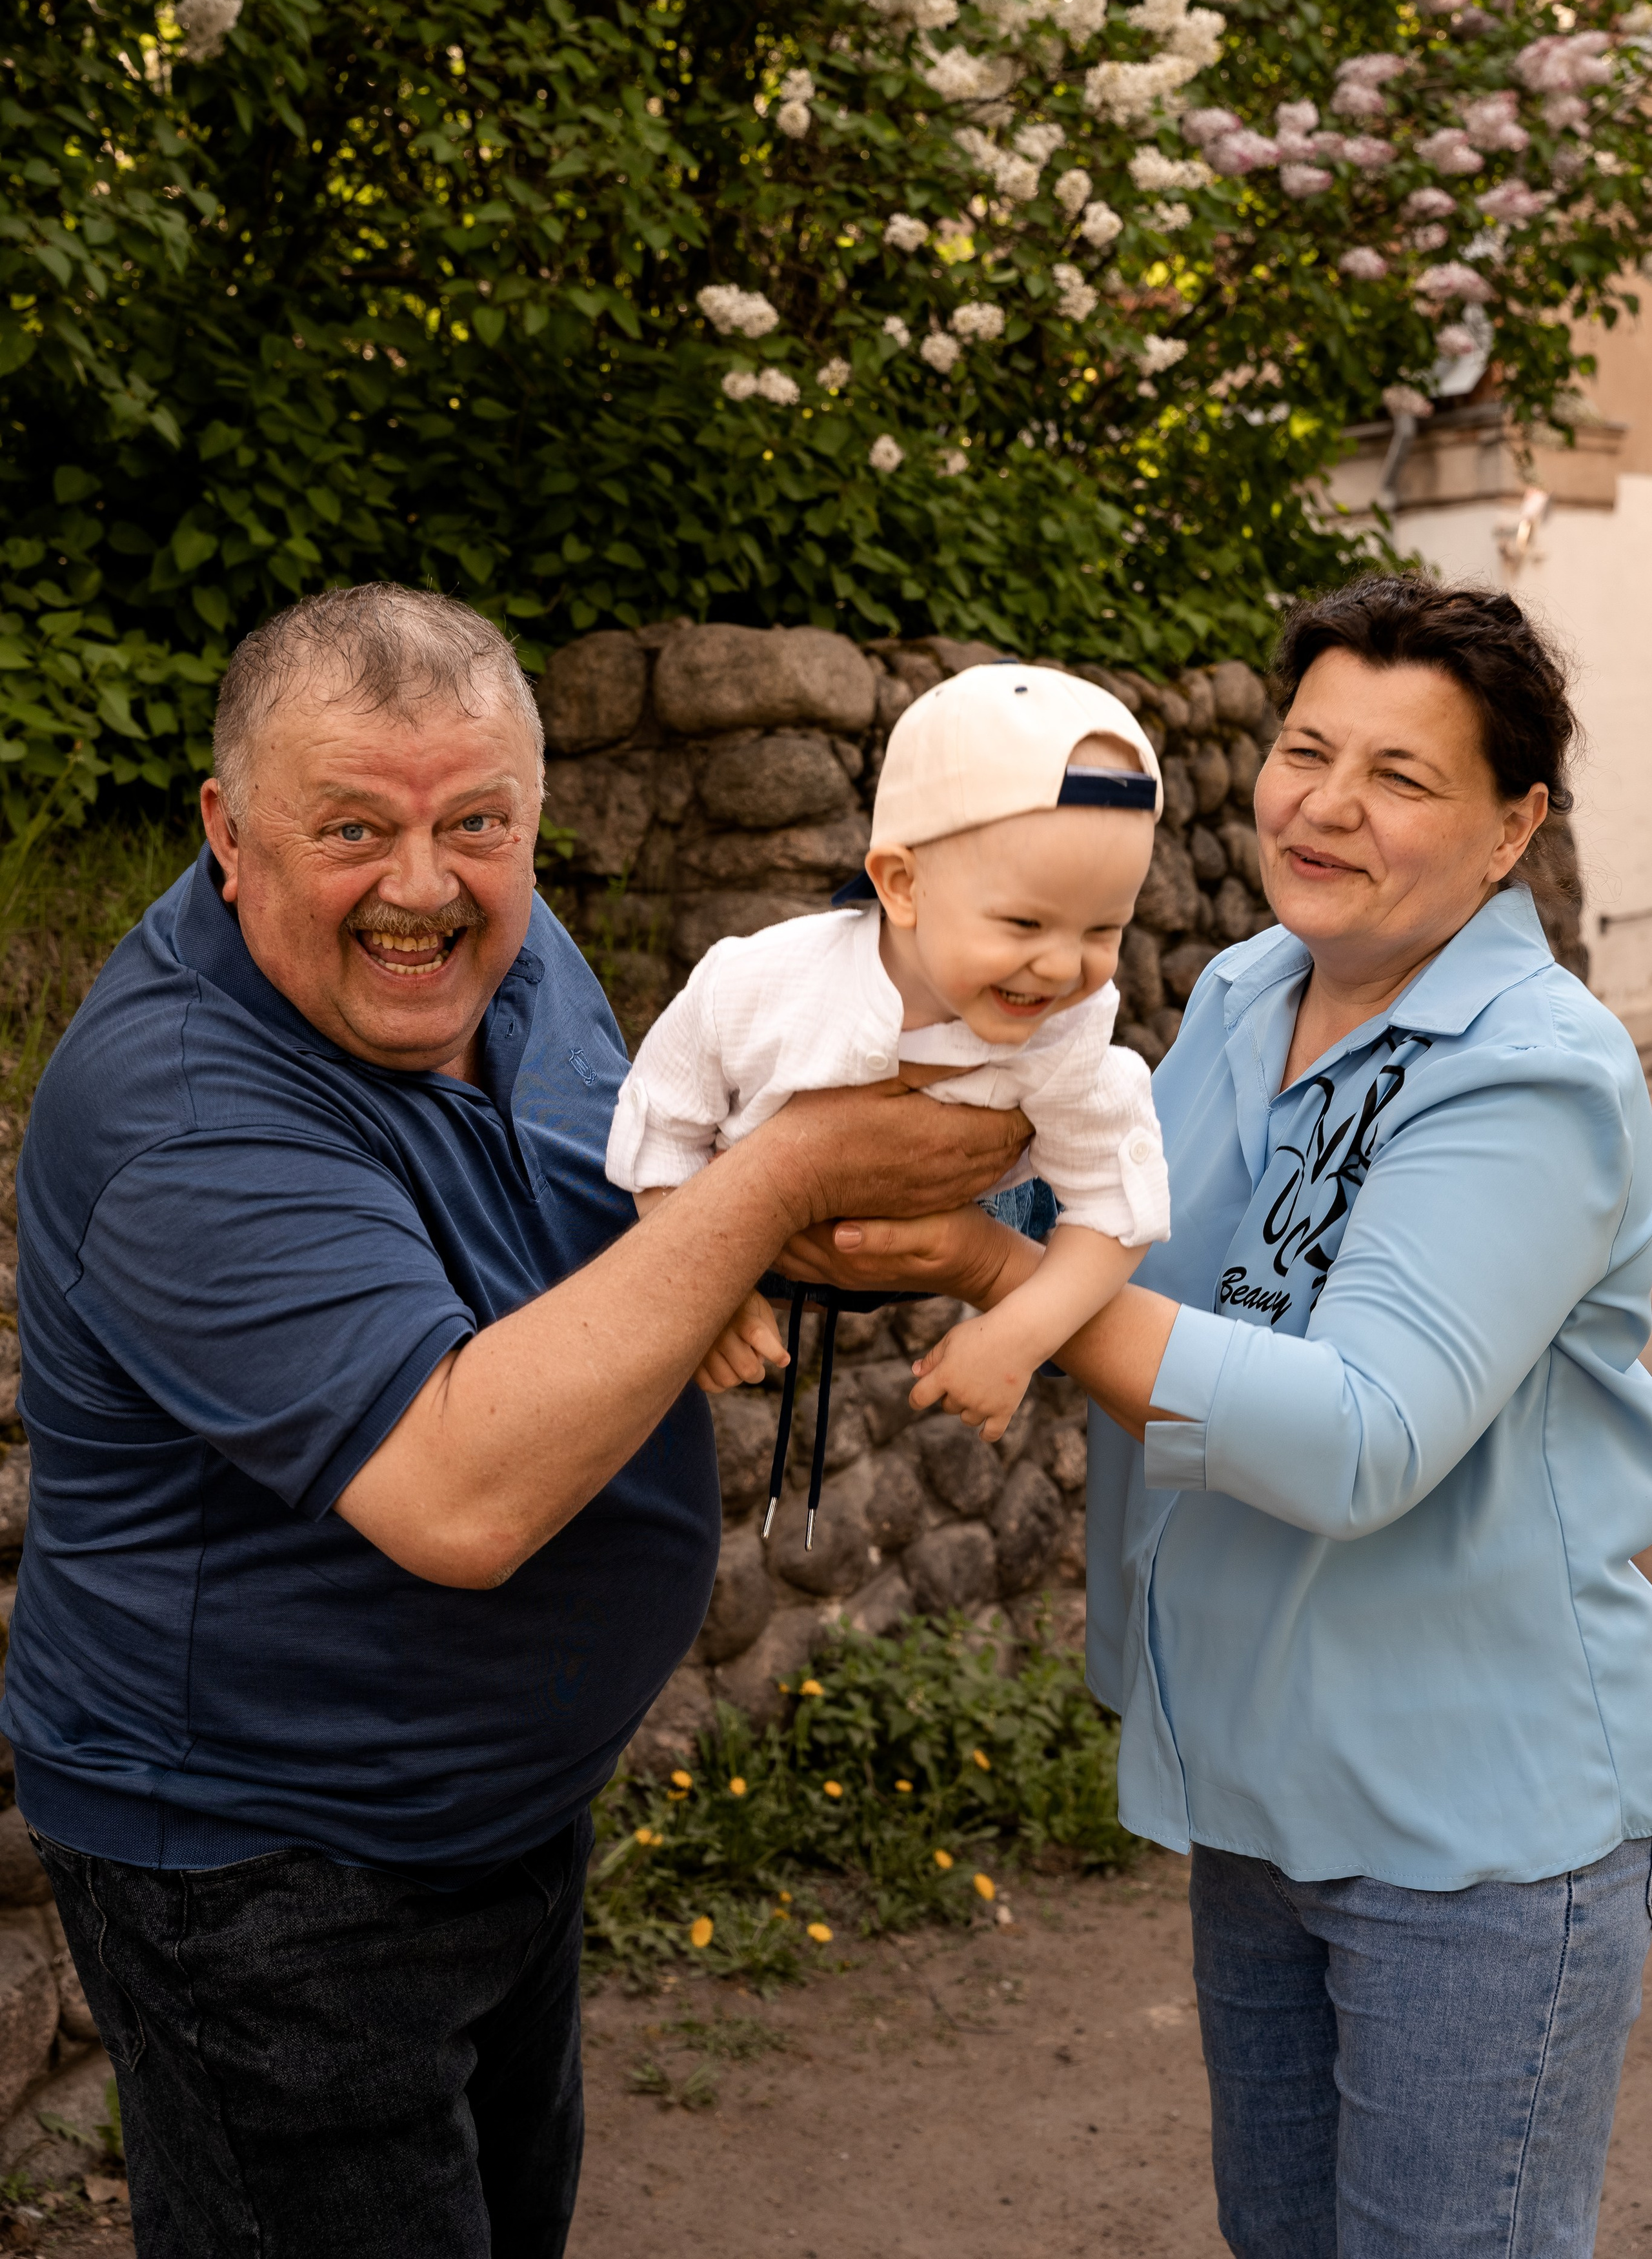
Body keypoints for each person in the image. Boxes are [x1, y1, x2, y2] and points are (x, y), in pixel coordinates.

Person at [0, 583, 1026, 2259]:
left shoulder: (512, 950)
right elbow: (458, 1498)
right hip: (268, 1868)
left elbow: (628, 1196)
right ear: (229, 835)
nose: (424, 886)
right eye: (352, 828)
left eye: (477, 824)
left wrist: (861, 1194)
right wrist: (781, 1182)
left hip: (499, 1817)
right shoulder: (180, 1111)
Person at [784, 576, 1652, 2258]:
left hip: (1469, 1829)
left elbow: (1357, 1436)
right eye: (1305, 749)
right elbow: (1106, 1228)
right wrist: (865, 1167)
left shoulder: (1531, 1072)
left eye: (1400, 775)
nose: (1323, 804)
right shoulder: (1256, 986)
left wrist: (995, 1275)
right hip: (1254, 1783)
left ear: (1511, 828)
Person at [609, 663, 1171, 1435]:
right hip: (738, 1236)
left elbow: (1113, 1204)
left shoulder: (1069, 1031)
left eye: (1104, 929)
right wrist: (702, 1287)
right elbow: (661, 1129)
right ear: (901, 885)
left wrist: (1019, 1332)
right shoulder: (757, 987)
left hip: (969, 1235)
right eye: (1024, 924)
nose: (1061, 966)